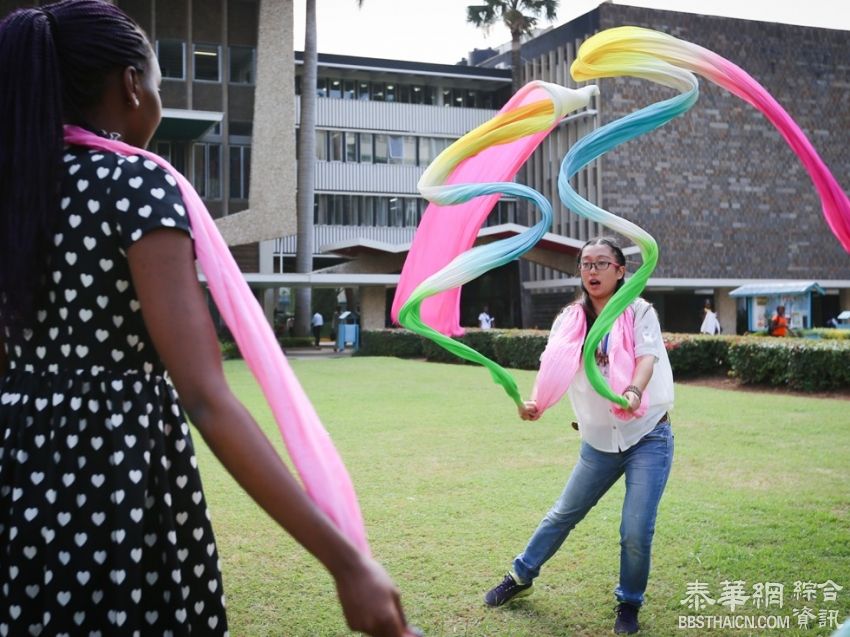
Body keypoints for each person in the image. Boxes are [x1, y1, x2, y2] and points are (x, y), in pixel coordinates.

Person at [0, 3, 414, 635]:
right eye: (161, 83)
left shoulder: (16, 188)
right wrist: (346, 563)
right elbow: (206, 396)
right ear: (132, 86)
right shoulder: (132, 185)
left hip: (19, 467)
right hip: (119, 473)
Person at [483, 238, 675, 635]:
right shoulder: (571, 317)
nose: (592, 271)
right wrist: (536, 402)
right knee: (563, 514)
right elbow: (553, 363)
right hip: (598, 441)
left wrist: (634, 392)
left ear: (621, 271)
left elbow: (647, 359)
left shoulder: (639, 311)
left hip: (647, 435)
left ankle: (629, 603)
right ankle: (519, 578)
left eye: (602, 263)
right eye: (586, 264)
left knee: (635, 530)